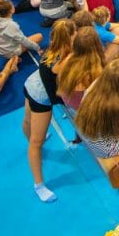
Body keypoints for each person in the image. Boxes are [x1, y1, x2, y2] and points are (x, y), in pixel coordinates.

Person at [23, 19, 75, 202]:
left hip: (31, 83)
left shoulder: (53, 46)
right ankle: (39, 185)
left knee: (28, 121)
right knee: (36, 142)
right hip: (40, 96)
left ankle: (32, 141)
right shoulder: (64, 59)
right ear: (70, 37)